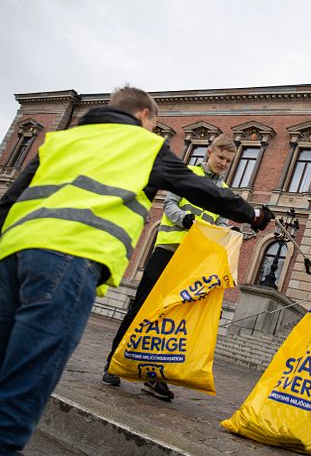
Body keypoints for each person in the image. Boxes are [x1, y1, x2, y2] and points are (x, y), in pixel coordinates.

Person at [0, 86, 273, 456]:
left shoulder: (61, 142)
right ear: (144, 117)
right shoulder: (145, 146)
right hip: (67, 265)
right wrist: (252, 213)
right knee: (12, 410)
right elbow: (196, 189)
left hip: (11, 263)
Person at [101, 133, 238, 401]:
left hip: (192, 260)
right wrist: (184, 220)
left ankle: (154, 376)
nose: (224, 163)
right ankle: (112, 364)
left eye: (229, 160)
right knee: (140, 308)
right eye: (221, 157)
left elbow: (220, 222)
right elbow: (169, 205)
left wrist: (227, 232)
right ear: (210, 152)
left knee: (173, 317)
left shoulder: (224, 191)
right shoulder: (187, 174)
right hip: (167, 251)